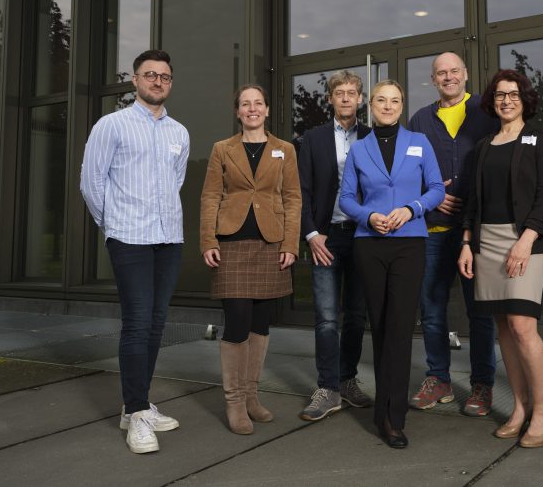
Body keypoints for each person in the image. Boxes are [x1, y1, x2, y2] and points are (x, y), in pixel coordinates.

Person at [80, 49, 188, 454]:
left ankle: (136, 406)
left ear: (170, 83)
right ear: (135, 80)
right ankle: (137, 412)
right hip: (130, 237)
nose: (157, 81)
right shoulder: (112, 125)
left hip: (168, 237)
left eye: (164, 76)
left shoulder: (180, 133)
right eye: (150, 75)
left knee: (158, 322)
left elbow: (174, 184)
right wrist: (113, 226)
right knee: (138, 322)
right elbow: (91, 182)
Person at [339, 80, 445, 448]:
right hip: (370, 245)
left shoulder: (419, 142)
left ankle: (392, 417)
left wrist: (410, 208)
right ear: (371, 104)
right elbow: (347, 198)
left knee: (400, 328)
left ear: (402, 105)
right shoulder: (359, 149)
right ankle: (383, 408)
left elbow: (436, 189)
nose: (388, 105)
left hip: (409, 244)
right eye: (381, 100)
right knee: (381, 326)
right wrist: (369, 217)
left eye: (395, 100)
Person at [458, 69, 543, 448]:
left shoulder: (540, 140)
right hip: (487, 240)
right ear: (492, 100)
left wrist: (526, 241)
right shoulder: (483, 145)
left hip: (524, 239)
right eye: (500, 95)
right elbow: (473, 201)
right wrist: (467, 242)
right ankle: (519, 407)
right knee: (502, 327)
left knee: (522, 326)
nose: (506, 100)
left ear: (525, 99)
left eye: (514, 94)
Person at [200, 84, 301, 435]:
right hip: (231, 244)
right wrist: (207, 238)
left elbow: (292, 198)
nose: (252, 109)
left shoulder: (284, 149)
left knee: (261, 323)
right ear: (238, 111)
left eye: (258, 103)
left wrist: (291, 243)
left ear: (267, 110)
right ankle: (234, 402)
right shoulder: (222, 149)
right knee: (238, 322)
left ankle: (252, 396)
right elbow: (211, 194)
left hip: (270, 243)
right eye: (246, 104)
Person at [408, 52, 499, 416]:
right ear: (433, 80)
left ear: (465, 74)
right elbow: (406, 173)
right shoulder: (418, 121)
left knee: (480, 313)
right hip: (432, 230)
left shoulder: (487, 112)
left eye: (453, 71)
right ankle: (439, 379)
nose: (448, 77)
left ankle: (482, 384)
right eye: (440, 73)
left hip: (474, 233)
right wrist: (430, 199)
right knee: (431, 311)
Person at [297, 70, 373, 421]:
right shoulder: (312, 139)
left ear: (360, 99)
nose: (345, 98)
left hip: (362, 236)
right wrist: (311, 233)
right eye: (339, 93)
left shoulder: (373, 137)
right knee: (327, 318)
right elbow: (302, 191)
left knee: (356, 315)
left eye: (351, 93)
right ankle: (327, 387)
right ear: (330, 99)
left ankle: (347, 380)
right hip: (325, 237)